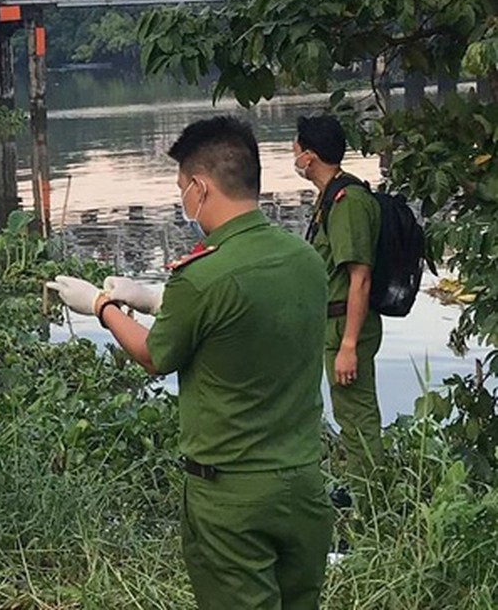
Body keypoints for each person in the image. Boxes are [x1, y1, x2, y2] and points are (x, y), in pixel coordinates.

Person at [47, 116, 332, 610]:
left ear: (200, 187)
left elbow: (156, 355)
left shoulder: (202, 274)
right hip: (304, 485)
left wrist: (102, 306)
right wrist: (158, 301)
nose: (183, 200)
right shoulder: (303, 259)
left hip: (231, 496)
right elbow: (245, 320)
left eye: (182, 188)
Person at [294, 114, 385, 479]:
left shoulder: (347, 202)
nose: (295, 157)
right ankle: (363, 494)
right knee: (349, 415)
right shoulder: (330, 197)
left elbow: (359, 278)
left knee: (357, 417)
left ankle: (373, 507)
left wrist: (348, 345)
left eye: (297, 150)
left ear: (310, 157)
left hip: (346, 327)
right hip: (332, 325)